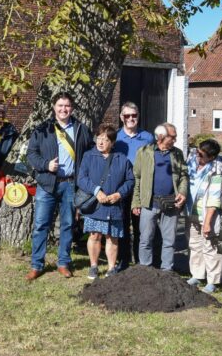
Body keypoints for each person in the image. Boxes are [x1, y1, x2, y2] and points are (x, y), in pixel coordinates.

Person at [25, 92, 93, 280]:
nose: (64, 109)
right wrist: (45, 165)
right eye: (60, 105)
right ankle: (37, 264)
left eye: (67, 106)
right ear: (54, 107)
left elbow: (90, 154)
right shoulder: (42, 129)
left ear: (72, 108)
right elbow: (31, 154)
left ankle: (63, 262)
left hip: (71, 184)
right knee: (40, 225)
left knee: (68, 224)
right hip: (47, 184)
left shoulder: (81, 129)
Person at [77, 123, 135, 279]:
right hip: (96, 205)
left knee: (112, 237)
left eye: (105, 139)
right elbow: (81, 179)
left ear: (113, 142)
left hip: (114, 205)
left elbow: (130, 180)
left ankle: (111, 268)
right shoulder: (89, 156)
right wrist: (96, 191)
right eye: (99, 138)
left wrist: (119, 194)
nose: (101, 142)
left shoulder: (122, 160)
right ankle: (94, 266)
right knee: (94, 235)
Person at [131, 123, 188, 272]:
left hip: (170, 203)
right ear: (161, 136)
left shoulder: (177, 154)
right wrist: (136, 202)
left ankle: (167, 271)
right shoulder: (144, 152)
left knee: (169, 241)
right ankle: (145, 270)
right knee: (145, 240)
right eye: (172, 136)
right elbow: (137, 177)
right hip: (149, 203)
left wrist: (182, 192)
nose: (175, 140)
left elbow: (183, 175)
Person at [114, 101, 154, 270]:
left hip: (141, 187)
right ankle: (122, 260)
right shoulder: (116, 138)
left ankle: (140, 261)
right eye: (127, 115)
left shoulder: (148, 137)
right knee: (122, 225)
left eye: (134, 115)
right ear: (121, 117)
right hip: (122, 186)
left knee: (140, 226)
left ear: (138, 116)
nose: (131, 118)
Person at [185, 138, 222, 293]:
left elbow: (214, 198)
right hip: (191, 211)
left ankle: (212, 280)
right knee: (194, 244)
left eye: (201, 155)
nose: (197, 156)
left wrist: (207, 222)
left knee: (210, 247)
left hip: (208, 214)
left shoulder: (216, 169)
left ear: (211, 157)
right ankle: (197, 274)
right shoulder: (192, 162)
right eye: (197, 152)